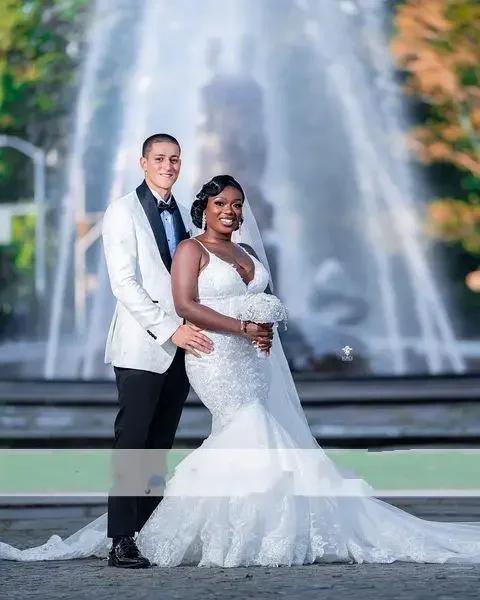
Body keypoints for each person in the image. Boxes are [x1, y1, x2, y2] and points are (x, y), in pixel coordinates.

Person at [1, 175, 479, 567]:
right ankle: (130, 535)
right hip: (198, 351)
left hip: (251, 357)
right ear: (204, 207)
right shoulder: (182, 245)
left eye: (237, 204)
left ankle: (205, 525)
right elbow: (180, 301)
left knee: (195, 439)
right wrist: (242, 325)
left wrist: (264, 322)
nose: (230, 210)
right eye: (221, 203)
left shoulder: (248, 253)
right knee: (163, 435)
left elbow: (260, 299)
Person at [98, 133, 216, 569]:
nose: (168, 165)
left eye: (175, 159)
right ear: (143, 163)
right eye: (160, 158)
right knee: (132, 442)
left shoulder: (184, 215)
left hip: (181, 347)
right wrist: (171, 331)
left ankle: (148, 531)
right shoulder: (121, 212)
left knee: (159, 443)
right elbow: (125, 285)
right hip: (142, 345)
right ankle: (121, 539)